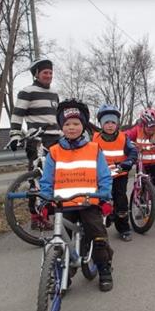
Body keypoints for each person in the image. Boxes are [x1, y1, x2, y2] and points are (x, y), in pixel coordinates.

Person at [39, 99, 114, 292]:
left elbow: (104, 175)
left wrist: (104, 195)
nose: (71, 128)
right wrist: (45, 199)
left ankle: (104, 268)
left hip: (89, 202)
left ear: (83, 126)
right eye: (67, 124)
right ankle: (64, 273)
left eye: (76, 124)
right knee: (62, 240)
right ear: (61, 127)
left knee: (98, 235)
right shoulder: (54, 152)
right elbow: (47, 180)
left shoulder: (94, 149)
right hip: (63, 205)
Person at [9, 59, 63, 229]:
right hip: (37, 139)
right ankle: (35, 217)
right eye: (45, 72)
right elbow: (17, 115)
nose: (49, 75)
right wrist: (15, 135)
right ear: (36, 74)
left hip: (57, 139)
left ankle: (54, 212)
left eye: (50, 72)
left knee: (58, 177)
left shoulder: (54, 93)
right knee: (37, 178)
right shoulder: (27, 92)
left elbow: (58, 117)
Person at [92, 104, 138, 242]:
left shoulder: (124, 138)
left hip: (119, 175)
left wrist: (129, 162)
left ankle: (123, 228)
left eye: (113, 122)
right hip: (100, 177)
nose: (110, 125)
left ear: (117, 124)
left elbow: (133, 151)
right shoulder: (94, 139)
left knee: (121, 202)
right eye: (106, 122)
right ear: (101, 124)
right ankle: (96, 230)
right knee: (97, 202)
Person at [125, 108, 155, 221]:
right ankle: (142, 208)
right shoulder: (136, 130)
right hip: (141, 163)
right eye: (149, 127)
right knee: (140, 186)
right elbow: (124, 136)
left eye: (154, 127)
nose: (151, 130)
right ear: (143, 124)